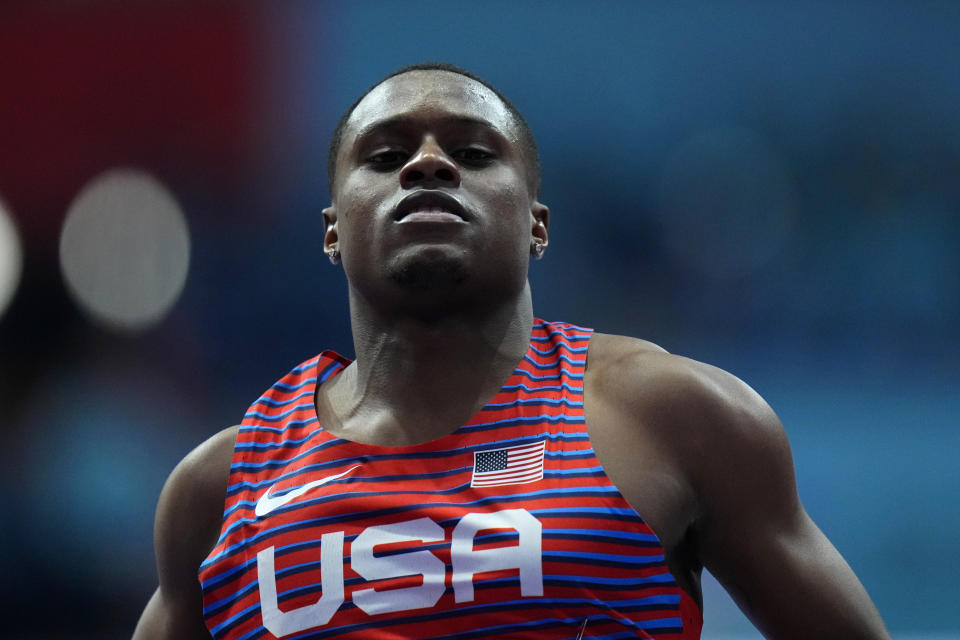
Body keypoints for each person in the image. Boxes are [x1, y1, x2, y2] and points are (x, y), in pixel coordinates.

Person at [133, 62, 891, 639]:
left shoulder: (675, 418)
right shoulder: (218, 492)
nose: (427, 165)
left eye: (470, 151)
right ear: (332, 229)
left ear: (537, 223)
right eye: (385, 154)